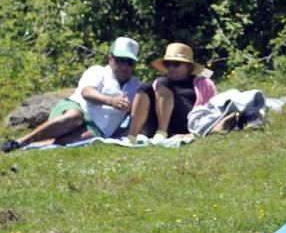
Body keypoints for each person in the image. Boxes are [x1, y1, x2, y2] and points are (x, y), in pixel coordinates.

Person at [1, 37, 142, 152]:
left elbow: (138, 112)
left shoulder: (136, 86)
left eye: (129, 62)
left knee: (79, 139)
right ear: (110, 58)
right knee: (74, 117)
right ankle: (20, 141)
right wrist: (112, 101)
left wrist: (126, 130)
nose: (124, 66)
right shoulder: (98, 71)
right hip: (78, 108)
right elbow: (87, 92)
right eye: (120, 61)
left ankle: (30, 147)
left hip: (98, 129)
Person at [127, 43, 216, 143]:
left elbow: (212, 110)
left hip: (185, 122)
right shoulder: (160, 84)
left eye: (176, 64)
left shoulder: (204, 84)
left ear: (189, 67)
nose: (171, 68)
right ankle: (132, 135)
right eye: (167, 64)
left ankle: (162, 133)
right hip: (158, 123)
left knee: (162, 82)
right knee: (145, 87)